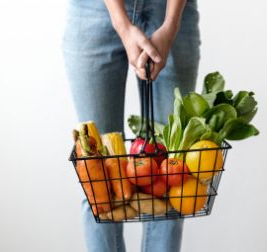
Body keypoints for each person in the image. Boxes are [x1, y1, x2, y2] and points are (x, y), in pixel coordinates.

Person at [63, 0, 200, 251]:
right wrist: (121, 23)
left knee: (172, 176)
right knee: (98, 181)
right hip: (94, 10)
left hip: (170, 10)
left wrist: (170, 25)